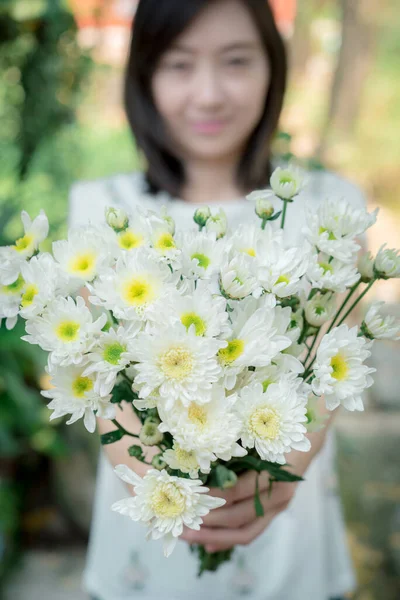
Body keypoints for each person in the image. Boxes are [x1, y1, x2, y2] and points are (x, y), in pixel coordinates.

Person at [68, 1, 366, 598]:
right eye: (179, 65)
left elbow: (340, 349)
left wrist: (293, 462)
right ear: (145, 75)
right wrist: (146, 471)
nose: (208, 94)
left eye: (235, 61)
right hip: (150, 519)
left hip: (285, 511)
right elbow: (81, 363)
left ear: (272, 69)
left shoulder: (327, 206)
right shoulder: (104, 209)